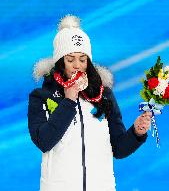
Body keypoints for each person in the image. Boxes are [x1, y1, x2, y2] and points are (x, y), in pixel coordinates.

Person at [27, 14, 152, 191]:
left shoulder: (104, 95)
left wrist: (136, 133)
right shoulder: (41, 97)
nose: (77, 65)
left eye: (82, 59)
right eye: (70, 59)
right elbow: (44, 141)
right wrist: (69, 100)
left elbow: (119, 148)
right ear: (60, 62)